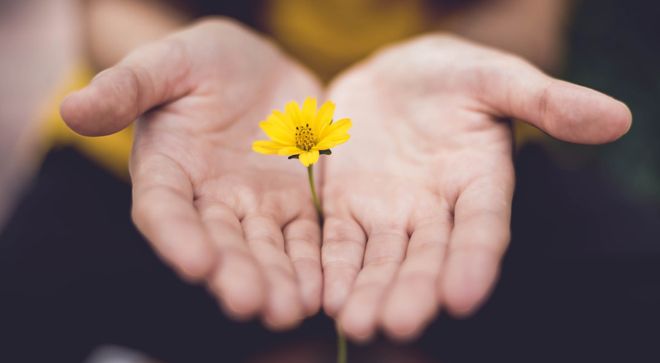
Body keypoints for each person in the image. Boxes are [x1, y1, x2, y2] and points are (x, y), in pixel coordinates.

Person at [1, 1, 639, 361]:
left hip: (443, 151)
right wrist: (179, 64)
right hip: (179, 144)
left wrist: (451, 68)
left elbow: (526, 19)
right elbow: (109, 10)